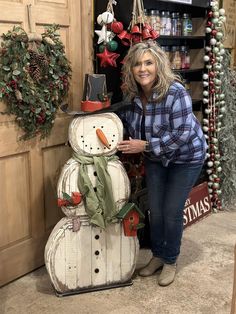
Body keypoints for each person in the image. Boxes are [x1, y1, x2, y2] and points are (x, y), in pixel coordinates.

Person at [117, 40, 207, 286]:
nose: (142, 69)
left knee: (171, 210)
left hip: (187, 157)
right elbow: (126, 126)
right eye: (137, 64)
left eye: (148, 63)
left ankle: (170, 260)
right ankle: (157, 255)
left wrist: (144, 145)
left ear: (158, 66)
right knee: (155, 210)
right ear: (131, 69)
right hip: (157, 158)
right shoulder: (132, 97)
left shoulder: (175, 92)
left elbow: (182, 135)